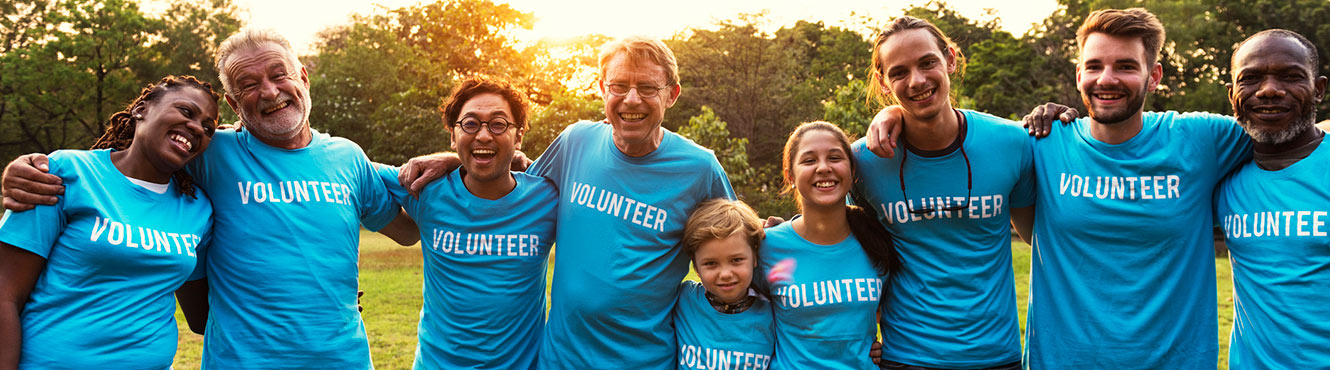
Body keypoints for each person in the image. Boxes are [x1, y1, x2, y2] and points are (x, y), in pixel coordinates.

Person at [1, 28, 420, 369]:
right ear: (236, 104)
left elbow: (406, 229)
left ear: (304, 77)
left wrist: (451, 160)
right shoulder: (210, 151)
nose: (271, 91)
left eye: (280, 74)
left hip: (342, 360)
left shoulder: (348, 157)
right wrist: (28, 168)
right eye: (248, 85)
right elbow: (128, 162)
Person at [397, 36, 734, 368]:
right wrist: (453, 159)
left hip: (643, 360)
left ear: (671, 95)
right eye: (619, 86)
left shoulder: (699, 168)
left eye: (647, 88)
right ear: (603, 89)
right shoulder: (576, 141)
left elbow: (740, 243)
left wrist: (781, 235)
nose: (632, 100)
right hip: (559, 359)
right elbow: (513, 172)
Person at [850, 16, 1033, 370]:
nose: (917, 81)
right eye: (899, 72)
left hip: (997, 356)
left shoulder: (1012, 142)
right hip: (906, 357)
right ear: (883, 82)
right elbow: (842, 247)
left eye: (927, 62)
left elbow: (1039, 237)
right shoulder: (864, 161)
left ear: (949, 59)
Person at [0, 76, 218, 369]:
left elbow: (200, 317)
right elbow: (6, 293)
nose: (196, 128)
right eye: (186, 112)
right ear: (141, 109)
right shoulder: (66, 172)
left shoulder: (198, 210)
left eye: (208, 128)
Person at [376, 77, 558, 369]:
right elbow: (352, 173)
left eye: (498, 124)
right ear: (452, 134)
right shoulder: (425, 188)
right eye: (470, 124)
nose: (484, 135)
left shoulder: (548, 198)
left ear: (519, 135)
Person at [1213, 29, 1328, 368]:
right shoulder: (1220, 174)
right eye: (1251, 79)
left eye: (1291, 76)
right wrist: (1061, 124)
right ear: (1232, 94)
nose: (1269, 90)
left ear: (1318, 89)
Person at [757, 121, 896, 369]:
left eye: (834, 158)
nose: (823, 168)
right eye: (809, 160)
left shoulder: (876, 241)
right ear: (790, 175)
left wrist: (883, 348)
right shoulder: (767, 247)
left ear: (852, 171)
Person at [674, 198, 774, 370]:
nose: (726, 274)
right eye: (711, 263)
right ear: (696, 266)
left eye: (736, 260)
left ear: (755, 257)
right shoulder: (682, 300)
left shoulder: (774, 313)